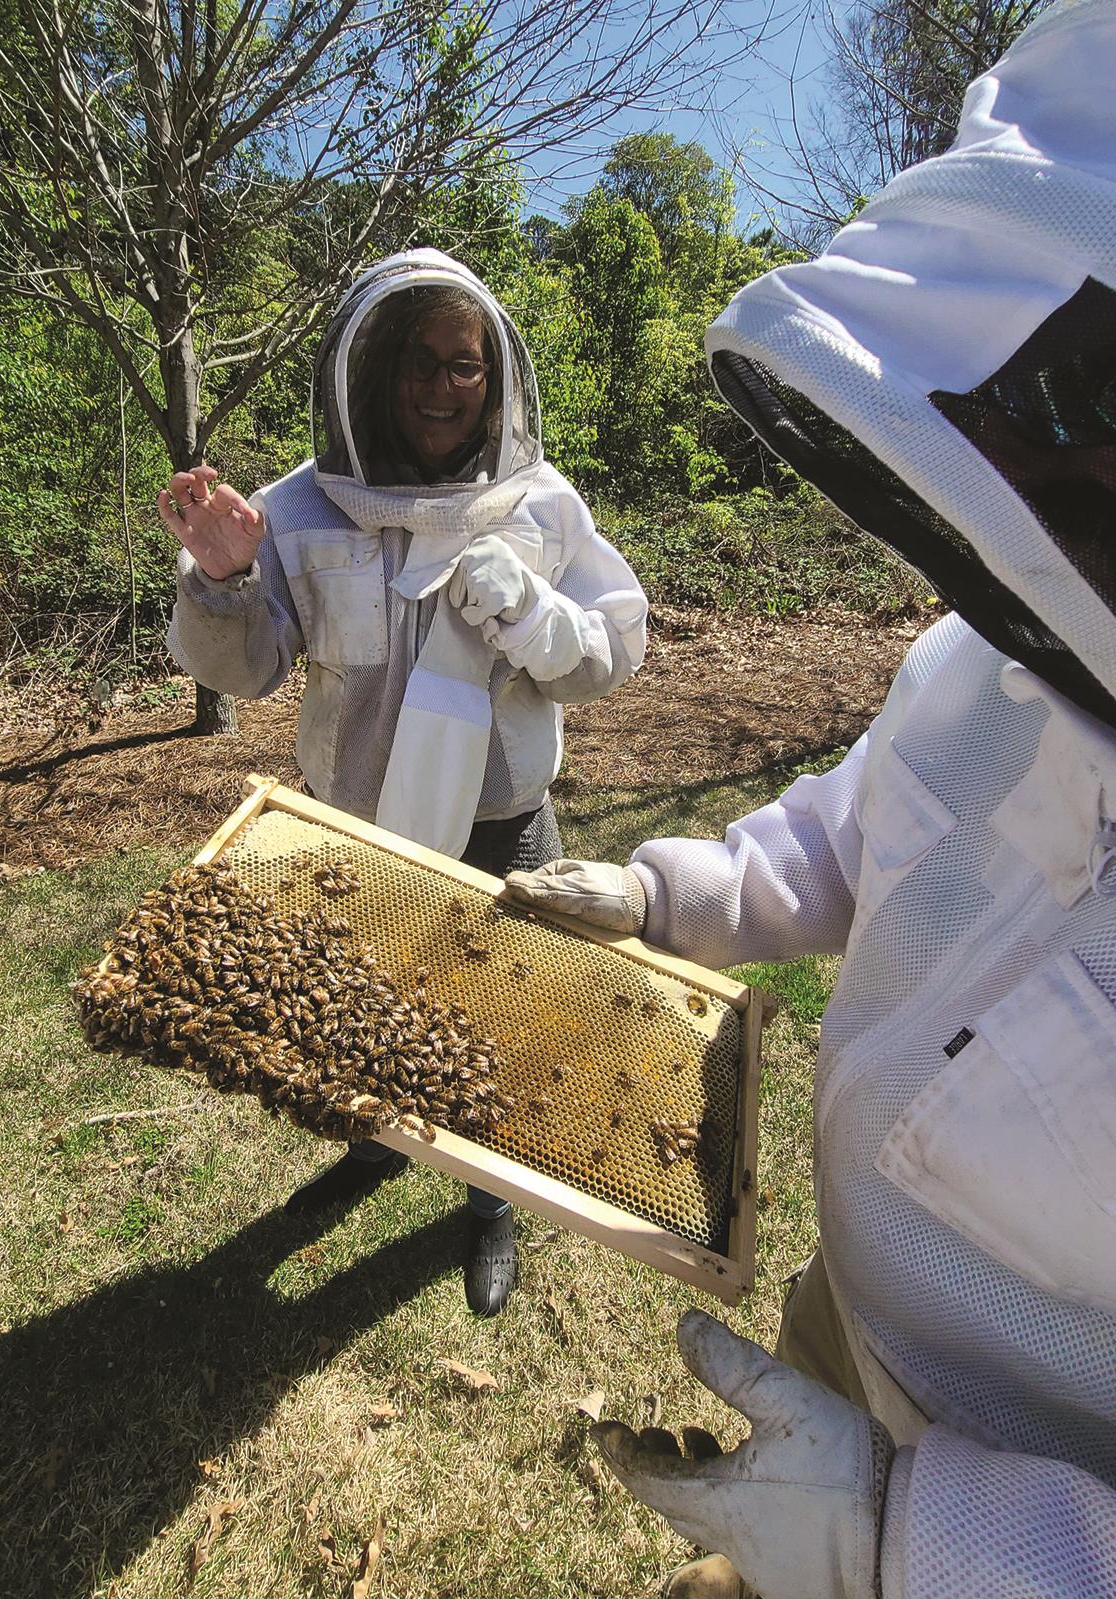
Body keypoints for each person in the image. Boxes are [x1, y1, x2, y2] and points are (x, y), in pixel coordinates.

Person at [505, 2, 1116, 1592]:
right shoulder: (1013, 651)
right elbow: (863, 827)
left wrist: (913, 1537)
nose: (1049, 502)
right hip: (851, 1339)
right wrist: (664, 895)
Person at [159, 249, 648, 1318]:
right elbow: (244, 668)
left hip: (505, 821)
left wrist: (537, 615)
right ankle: (378, 1149)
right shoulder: (300, 509)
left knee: (487, 1030)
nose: (440, 389)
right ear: (373, 370)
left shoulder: (543, 506)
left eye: (464, 366)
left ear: (496, 378)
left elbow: (611, 657)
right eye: (420, 364)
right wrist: (227, 579)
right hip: (358, 824)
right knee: (368, 1013)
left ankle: (486, 1207)